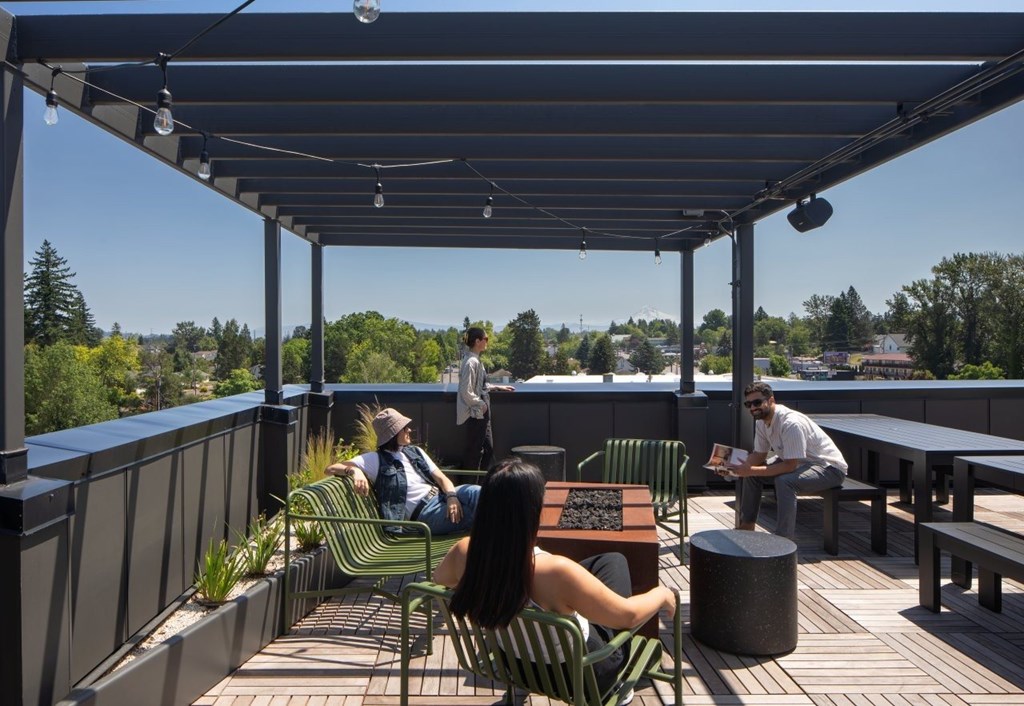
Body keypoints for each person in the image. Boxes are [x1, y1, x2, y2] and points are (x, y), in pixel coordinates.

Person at [435, 458, 675, 699]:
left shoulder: (464, 552)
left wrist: (491, 586)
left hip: (516, 667)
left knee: (610, 561)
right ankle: (618, 692)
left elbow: (440, 580)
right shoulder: (557, 572)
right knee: (616, 567)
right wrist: (662, 594)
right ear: (534, 511)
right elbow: (629, 616)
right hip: (583, 677)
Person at [325, 407, 479, 536]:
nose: (409, 429)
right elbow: (330, 469)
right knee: (477, 516)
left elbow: (441, 478)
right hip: (426, 514)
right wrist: (354, 471)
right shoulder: (375, 459)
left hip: (442, 497)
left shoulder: (415, 452)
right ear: (393, 433)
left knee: (477, 492)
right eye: (404, 427)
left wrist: (451, 496)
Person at [724, 381, 847, 539]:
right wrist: (732, 467)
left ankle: (784, 539)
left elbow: (790, 465)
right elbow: (759, 455)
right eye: (749, 404)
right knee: (752, 474)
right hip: (800, 464)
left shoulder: (790, 424)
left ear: (771, 400)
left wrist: (750, 469)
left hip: (828, 468)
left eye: (757, 402)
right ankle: (747, 526)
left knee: (785, 482)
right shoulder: (762, 422)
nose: (753, 408)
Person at [457, 326, 514, 470]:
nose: (487, 341)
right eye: (486, 339)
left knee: (487, 450)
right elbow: (465, 390)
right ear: (477, 341)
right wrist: (480, 403)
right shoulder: (471, 362)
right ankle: (471, 488)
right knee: (476, 452)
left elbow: (479, 385)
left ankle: (480, 486)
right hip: (476, 414)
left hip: (480, 414)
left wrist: (496, 387)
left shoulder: (474, 360)